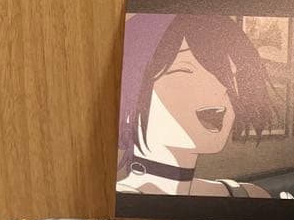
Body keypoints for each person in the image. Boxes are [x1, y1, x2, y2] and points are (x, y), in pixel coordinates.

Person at [116, 14, 273, 198]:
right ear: (131, 92)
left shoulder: (249, 195)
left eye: (229, 76)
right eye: (185, 70)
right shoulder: (115, 202)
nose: (221, 87)